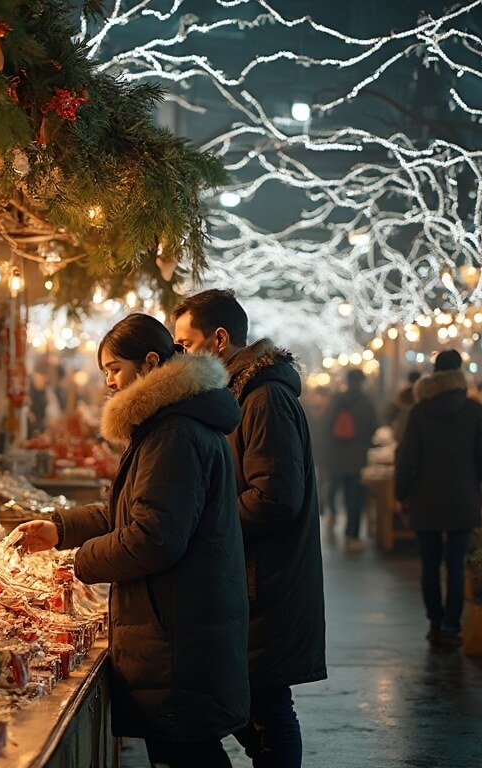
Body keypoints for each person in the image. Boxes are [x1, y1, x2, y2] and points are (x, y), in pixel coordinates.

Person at [17, 313, 249, 767]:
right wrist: (61, 529)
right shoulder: (167, 425)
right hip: (180, 623)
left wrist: (77, 562)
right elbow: (130, 512)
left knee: (190, 753)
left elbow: (152, 538)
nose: (108, 382)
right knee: (189, 751)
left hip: (179, 631)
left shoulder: (175, 433)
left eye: (114, 369)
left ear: (147, 363)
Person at [173, 289, 325, 768]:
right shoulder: (238, 394)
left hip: (266, 581)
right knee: (256, 707)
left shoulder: (264, 399)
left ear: (219, 339)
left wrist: (207, 526)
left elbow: (276, 498)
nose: (179, 355)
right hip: (251, 577)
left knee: (268, 713)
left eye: (185, 343)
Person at [394, 350, 482, 648]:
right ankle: (453, 626)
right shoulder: (475, 410)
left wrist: (401, 494)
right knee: (455, 564)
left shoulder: (419, 411)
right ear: (461, 373)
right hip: (463, 496)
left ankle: (435, 623)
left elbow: (407, 459)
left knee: (429, 565)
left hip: (425, 498)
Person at [321, 369, 378, 550]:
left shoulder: (336, 400)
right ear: (362, 381)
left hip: (337, 454)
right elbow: (373, 427)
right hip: (357, 455)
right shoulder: (367, 403)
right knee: (355, 495)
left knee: (339, 487)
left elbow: (326, 426)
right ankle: (351, 534)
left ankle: (332, 512)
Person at [385, 370, 421, 444]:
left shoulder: (402, 394)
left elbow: (390, 413)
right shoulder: (423, 394)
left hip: (402, 429)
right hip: (419, 431)